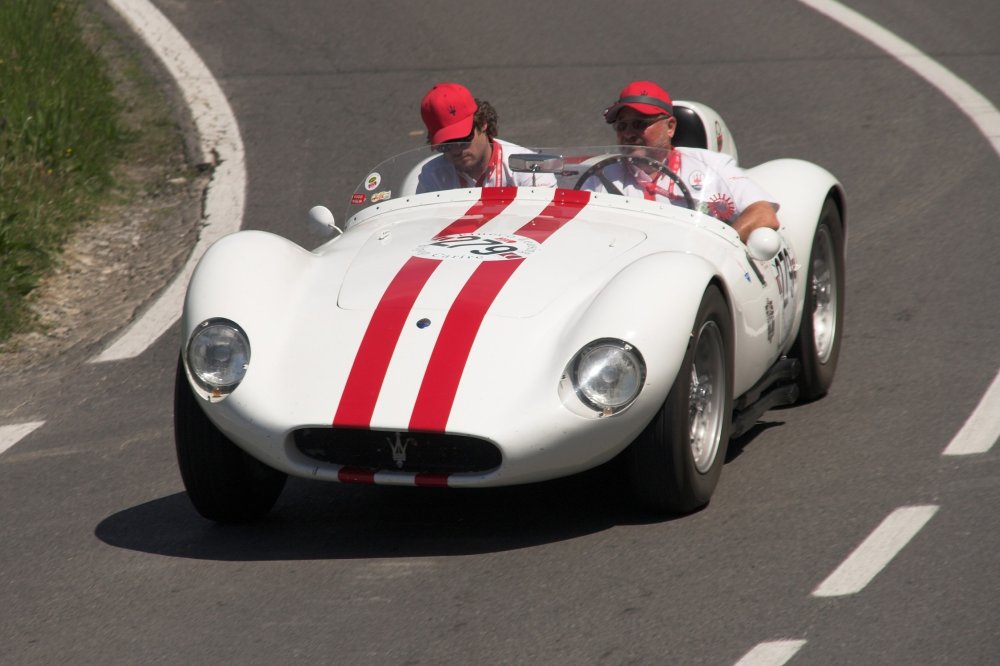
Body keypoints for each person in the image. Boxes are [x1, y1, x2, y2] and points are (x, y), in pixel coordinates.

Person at [592, 80, 780, 243]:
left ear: (670, 127)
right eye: (621, 126)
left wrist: (720, 249)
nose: (628, 134)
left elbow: (763, 214)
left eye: (640, 124)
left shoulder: (712, 166)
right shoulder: (601, 176)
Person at [415, 83, 554, 192]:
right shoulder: (432, 175)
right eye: (446, 144)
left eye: (464, 139)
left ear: (482, 123)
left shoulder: (530, 170)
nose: (456, 150)